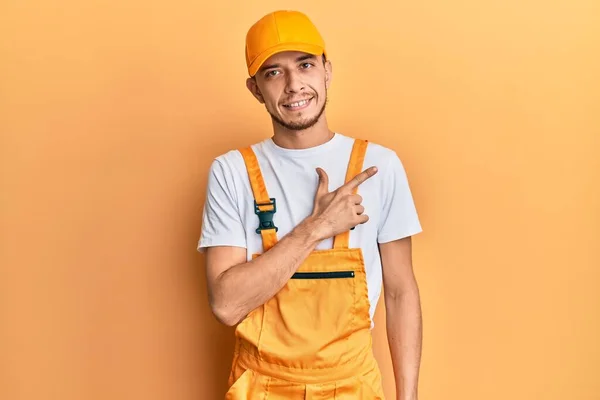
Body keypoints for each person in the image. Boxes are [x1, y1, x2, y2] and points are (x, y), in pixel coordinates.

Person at [198, 9, 423, 399]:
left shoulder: (379, 166)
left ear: (326, 71)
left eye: (304, 65)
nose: (293, 85)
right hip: (260, 388)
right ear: (255, 89)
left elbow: (401, 293)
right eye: (273, 72)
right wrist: (317, 227)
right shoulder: (232, 172)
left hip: (353, 388)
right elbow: (227, 305)